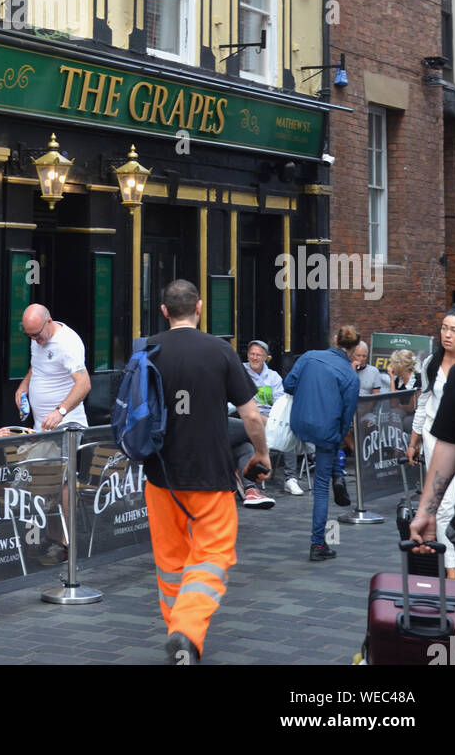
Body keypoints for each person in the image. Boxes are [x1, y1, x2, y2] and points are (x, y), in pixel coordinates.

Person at [139, 280, 270, 665]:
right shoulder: (220, 350)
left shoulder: (148, 349)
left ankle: (181, 643)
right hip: (210, 473)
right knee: (213, 555)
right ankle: (187, 630)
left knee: (170, 560)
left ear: (164, 311)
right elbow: (250, 415)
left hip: (160, 474)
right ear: (199, 307)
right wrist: (260, 454)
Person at [284, 325, 362, 561]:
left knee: (327, 451)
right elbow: (347, 417)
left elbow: (288, 384)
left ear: (335, 339)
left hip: (299, 422)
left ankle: (337, 474)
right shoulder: (350, 376)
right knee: (320, 489)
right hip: (326, 430)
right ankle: (318, 545)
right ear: (355, 347)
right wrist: (338, 440)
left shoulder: (309, 357)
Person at [405, 306, 455, 579]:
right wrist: (415, 439)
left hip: (450, 441)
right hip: (438, 439)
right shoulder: (433, 363)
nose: (447, 335)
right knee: (444, 507)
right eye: (444, 328)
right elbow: (424, 403)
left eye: (454, 329)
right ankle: (452, 574)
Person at [15, 304, 91, 432]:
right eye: (29, 335)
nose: (34, 339)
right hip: (41, 426)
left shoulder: (67, 343)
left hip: (65, 423)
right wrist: (24, 385)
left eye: (37, 335)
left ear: (49, 322)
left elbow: (84, 383)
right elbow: (38, 364)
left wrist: (60, 411)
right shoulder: (38, 335)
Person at [243, 338, 302, 495]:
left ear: (265, 358)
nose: (254, 358)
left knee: (289, 429)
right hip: (248, 414)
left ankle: (290, 479)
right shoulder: (240, 372)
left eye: (258, 355)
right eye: (251, 354)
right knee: (262, 420)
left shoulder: (273, 376)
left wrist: (277, 420)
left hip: (271, 415)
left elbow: (280, 401)